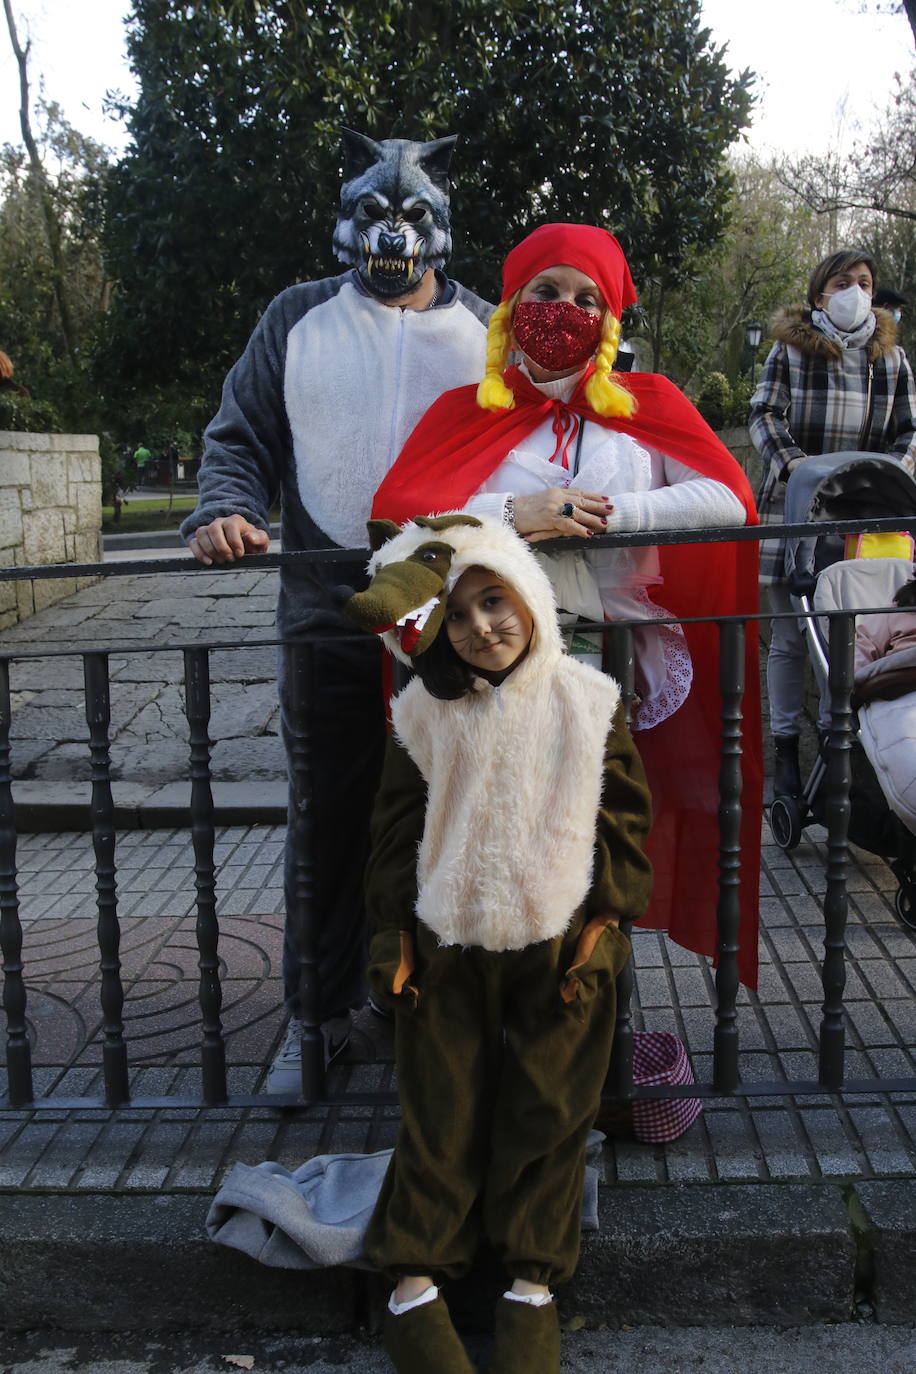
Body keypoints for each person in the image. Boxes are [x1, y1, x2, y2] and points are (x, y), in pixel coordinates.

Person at [373, 222, 762, 988]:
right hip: (490, 662)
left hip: (609, 666)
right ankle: (499, 1019)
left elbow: (729, 497)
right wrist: (515, 514)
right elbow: (402, 518)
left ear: (611, 321)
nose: (565, 309)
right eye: (546, 291)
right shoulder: (463, 411)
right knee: (500, 843)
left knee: (594, 845)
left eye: (588, 298)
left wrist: (610, 512)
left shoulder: (648, 406)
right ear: (512, 306)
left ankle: (589, 1032)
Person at [180, 131, 490, 1090]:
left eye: (414, 215)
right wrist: (226, 506)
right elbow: (241, 432)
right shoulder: (295, 317)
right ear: (346, 221)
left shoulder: (491, 327)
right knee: (329, 820)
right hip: (328, 608)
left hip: (453, 616)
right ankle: (314, 1023)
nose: (392, 231)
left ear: (440, 228)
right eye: (373, 213)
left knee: (462, 815)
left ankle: (453, 1016)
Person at [344, 513, 652, 1374]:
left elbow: (625, 822)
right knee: (440, 1109)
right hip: (444, 944)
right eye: (460, 616)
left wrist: (607, 927)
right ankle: (412, 1277)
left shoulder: (587, 701)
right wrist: (393, 936)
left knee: (550, 1111)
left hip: (559, 947)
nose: (483, 627)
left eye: (494, 600)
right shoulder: (423, 714)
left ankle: (532, 1284)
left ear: (526, 592)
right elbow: (393, 831)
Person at [750, 248, 916, 797]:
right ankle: (786, 752)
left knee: (845, 635)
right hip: (794, 507)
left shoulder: (889, 360)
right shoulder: (790, 350)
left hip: (860, 516)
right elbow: (764, 414)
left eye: (865, 282)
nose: (855, 291)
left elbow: (908, 431)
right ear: (820, 293)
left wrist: (888, 473)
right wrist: (795, 466)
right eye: (843, 281)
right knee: (792, 641)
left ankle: (836, 747)